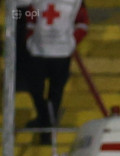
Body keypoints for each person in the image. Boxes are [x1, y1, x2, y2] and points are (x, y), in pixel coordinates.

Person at [24, 1, 90, 142]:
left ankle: (46, 130)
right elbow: (29, 15)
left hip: (61, 53)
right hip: (38, 50)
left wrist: (71, 42)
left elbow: (83, 22)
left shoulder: (75, 1)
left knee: (56, 92)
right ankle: (45, 119)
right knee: (35, 89)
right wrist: (29, 37)